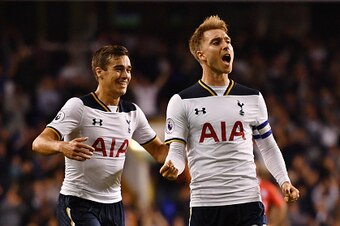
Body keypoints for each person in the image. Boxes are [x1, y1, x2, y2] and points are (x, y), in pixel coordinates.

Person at [159, 15, 300, 226]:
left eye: (228, 41)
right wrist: (174, 166)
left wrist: (284, 181)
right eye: (216, 42)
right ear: (201, 55)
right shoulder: (181, 101)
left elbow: (268, 147)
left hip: (248, 203)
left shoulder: (252, 97)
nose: (226, 46)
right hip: (206, 205)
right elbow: (177, 152)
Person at [32, 44, 168, 226]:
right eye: (118, 69)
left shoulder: (133, 112)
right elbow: (39, 142)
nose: (126, 75)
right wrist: (61, 146)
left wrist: (184, 153)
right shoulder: (79, 106)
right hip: (79, 202)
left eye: (128, 70)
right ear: (100, 72)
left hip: (114, 206)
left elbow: (159, 152)